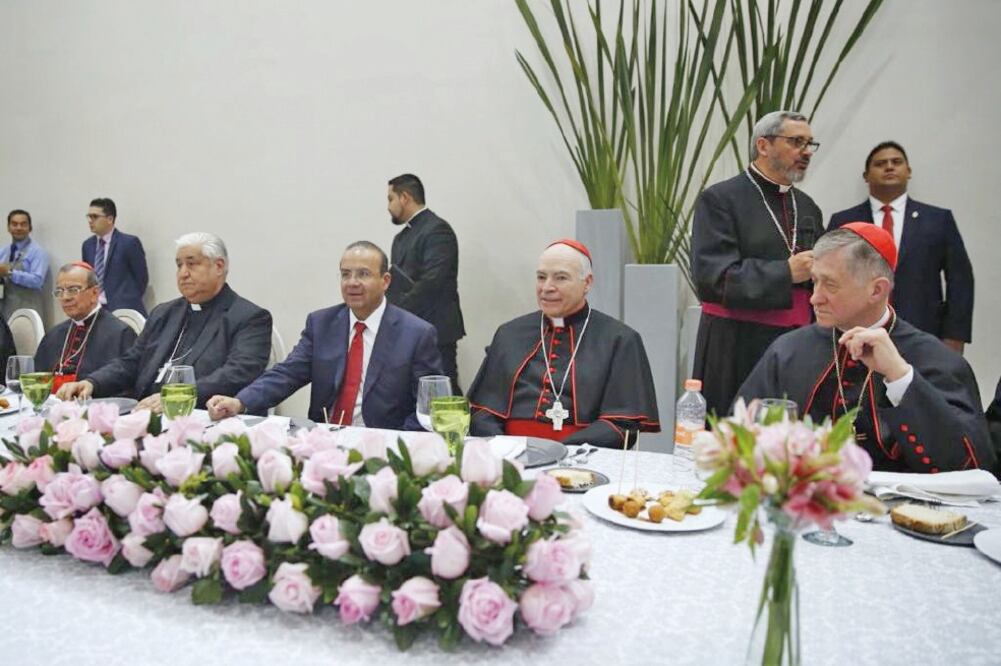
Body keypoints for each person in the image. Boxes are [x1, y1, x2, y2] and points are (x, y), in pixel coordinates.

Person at [737, 223, 995, 473]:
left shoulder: (937, 359)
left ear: (877, 290)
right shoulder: (788, 350)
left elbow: (971, 465)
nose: (815, 297)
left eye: (830, 284)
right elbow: (739, 434)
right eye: (814, 281)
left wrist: (901, 377)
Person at [207, 241, 441, 429]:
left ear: (385, 281)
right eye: (345, 274)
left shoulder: (416, 334)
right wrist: (240, 402)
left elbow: (430, 407)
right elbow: (287, 374)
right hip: (324, 441)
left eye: (363, 274)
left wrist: (397, 442)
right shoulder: (322, 324)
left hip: (383, 444)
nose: (352, 283)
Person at [691, 110, 825, 418]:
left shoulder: (806, 206)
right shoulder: (720, 199)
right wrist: (786, 272)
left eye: (809, 144)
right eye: (796, 142)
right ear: (763, 146)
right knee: (735, 436)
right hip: (735, 344)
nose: (806, 151)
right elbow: (713, 278)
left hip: (796, 345)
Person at [467, 239, 659, 448]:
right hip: (511, 457)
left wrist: (563, 450)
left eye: (560, 278)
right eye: (541, 277)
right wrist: (501, 449)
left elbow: (622, 424)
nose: (547, 287)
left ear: (587, 282)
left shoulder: (620, 340)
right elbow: (483, 410)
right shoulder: (509, 334)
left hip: (584, 459)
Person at [57, 233, 272, 412]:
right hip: (146, 414)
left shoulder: (249, 317)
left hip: (203, 418)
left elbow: (237, 373)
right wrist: (93, 382)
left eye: (191, 264)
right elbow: (131, 361)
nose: (183, 273)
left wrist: (175, 397)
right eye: (179, 265)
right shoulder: (165, 313)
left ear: (218, 266)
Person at [828, 141, 974, 354]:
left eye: (896, 162)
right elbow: (829, 278)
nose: (889, 167)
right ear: (866, 176)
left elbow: (960, 280)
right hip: (857, 332)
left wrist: (954, 336)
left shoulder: (938, 220)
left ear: (908, 171)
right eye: (880, 164)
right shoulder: (845, 221)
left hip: (924, 333)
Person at [385, 174, 465, 392]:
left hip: (435, 328)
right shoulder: (401, 238)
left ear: (405, 197)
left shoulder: (437, 230)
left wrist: (398, 310)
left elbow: (433, 281)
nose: (388, 206)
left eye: (391, 199)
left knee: (443, 393)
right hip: (408, 327)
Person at [34, 263, 137, 393]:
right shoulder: (54, 334)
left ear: (94, 293)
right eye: (60, 291)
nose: (65, 298)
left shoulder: (120, 333)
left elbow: (125, 382)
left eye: (73, 290)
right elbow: (36, 379)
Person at [82, 198, 149, 315]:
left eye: (95, 217)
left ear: (110, 219)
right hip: (97, 309)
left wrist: (127, 298)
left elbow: (141, 278)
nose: (90, 221)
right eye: (89, 217)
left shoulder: (129, 243)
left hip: (125, 309)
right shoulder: (88, 246)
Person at [0, 209, 50, 322]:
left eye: (23, 224)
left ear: (30, 228)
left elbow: (37, 281)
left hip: (29, 313)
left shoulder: (38, 252)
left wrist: (10, 273)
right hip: (5, 312)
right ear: (8, 228)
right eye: (14, 224)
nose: (18, 228)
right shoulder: (3, 251)